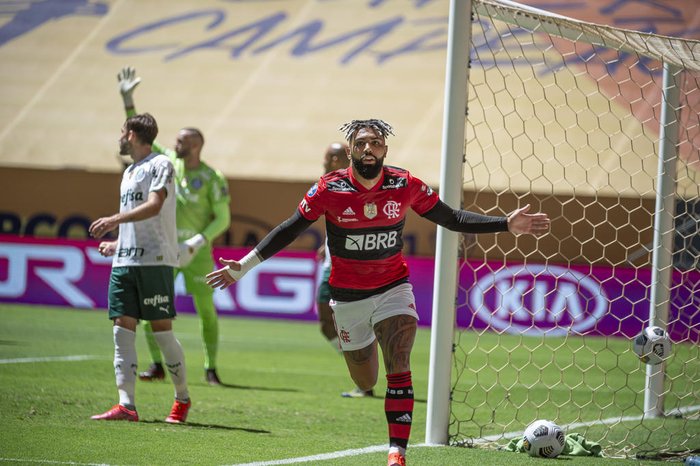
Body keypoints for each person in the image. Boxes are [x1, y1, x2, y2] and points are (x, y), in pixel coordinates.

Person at [205, 119, 550, 466]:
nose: (369, 149)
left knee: (399, 363)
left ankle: (397, 452)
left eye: (376, 143)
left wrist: (505, 223)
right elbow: (289, 228)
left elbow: (451, 217)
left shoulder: (405, 183)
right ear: (351, 149)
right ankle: (363, 348)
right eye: (361, 144)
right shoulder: (329, 188)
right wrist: (243, 265)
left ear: (386, 149)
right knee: (365, 377)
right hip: (348, 297)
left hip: (392, 288)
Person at [117, 67, 232, 385]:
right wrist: (129, 101)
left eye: (183, 141)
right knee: (154, 309)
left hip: (197, 251)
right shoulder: (165, 161)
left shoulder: (213, 177)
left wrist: (199, 240)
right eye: (177, 140)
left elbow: (223, 217)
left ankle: (210, 368)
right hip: (164, 249)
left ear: (197, 145)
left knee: (206, 311)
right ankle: (157, 365)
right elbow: (139, 137)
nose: (176, 144)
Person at [90, 112, 191, 423]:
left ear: (132, 134)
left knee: (162, 333)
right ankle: (126, 404)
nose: (120, 137)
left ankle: (182, 398)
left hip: (155, 261)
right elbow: (137, 221)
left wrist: (112, 220)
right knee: (122, 330)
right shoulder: (130, 170)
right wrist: (119, 242)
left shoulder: (160, 164)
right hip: (125, 261)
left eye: (123, 131)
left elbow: (154, 206)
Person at [314, 142, 371, 398]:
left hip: (347, 267)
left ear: (341, 159)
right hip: (331, 263)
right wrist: (324, 244)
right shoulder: (330, 183)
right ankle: (362, 373)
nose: (325, 160)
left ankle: (365, 380)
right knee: (327, 325)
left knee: (350, 324)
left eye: (330, 156)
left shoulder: (353, 184)